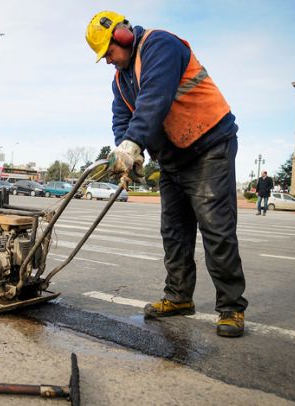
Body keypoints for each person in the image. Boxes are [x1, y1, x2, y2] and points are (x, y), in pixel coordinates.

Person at [86, 10, 248, 337]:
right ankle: (178, 297)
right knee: (173, 231)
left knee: (215, 227)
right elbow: (122, 121)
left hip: (209, 146)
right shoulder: (121, 80)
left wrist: (134, 143)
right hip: (173, 158)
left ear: (123, 36)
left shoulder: (160, 45)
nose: (107, 60)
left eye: (109, 51)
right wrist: (128, 153)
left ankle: (231, 307)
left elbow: (154, 100)